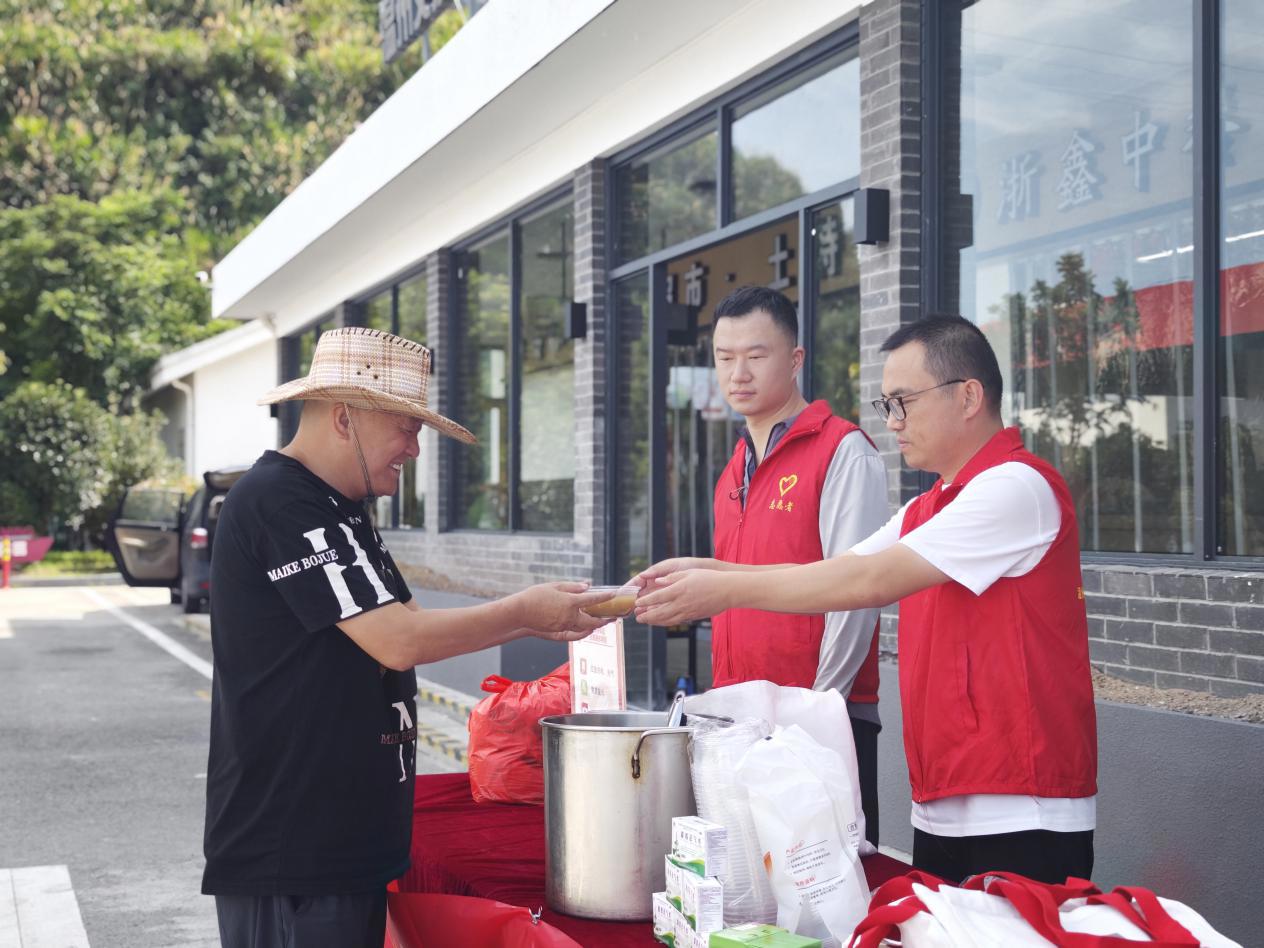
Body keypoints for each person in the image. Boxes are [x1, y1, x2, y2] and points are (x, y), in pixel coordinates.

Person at [637, 315, 1097, 885]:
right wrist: (706, 571)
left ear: (969, 396)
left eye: (903, 402)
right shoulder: (929, 507)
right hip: (945, 797)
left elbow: (868, 581)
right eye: (887, 405)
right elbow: (834, 569)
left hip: (1023, 805)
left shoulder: (1017, 487)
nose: (893, 421)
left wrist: (724, 587)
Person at [204, 327, 609, 947]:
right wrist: (525, 612)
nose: (414, 449)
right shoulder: (280, 503)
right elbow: (399, 640)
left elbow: (412, 621)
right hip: (294, 850)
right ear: (345, 418)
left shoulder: (340, 508)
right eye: (406, 428)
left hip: (340, 844)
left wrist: (534, 616)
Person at [657, 285, 888, 844]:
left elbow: (857, 592)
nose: (738, 373)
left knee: (824, 881)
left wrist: (817, 713)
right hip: (737, 718)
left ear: (795, 358)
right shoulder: (735, 467)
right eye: (724, 357)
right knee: (746, 878)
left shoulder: (842, 450)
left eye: (756, 356)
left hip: (819, 723)